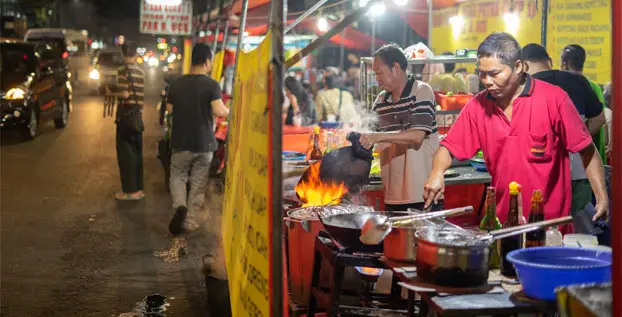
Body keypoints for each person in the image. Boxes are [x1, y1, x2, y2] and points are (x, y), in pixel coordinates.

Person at [423, 32, 608, 226]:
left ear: (518, 67)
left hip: (550, 225)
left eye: (494, 73)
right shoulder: (478, 106)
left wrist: (601, 197)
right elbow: (448, 148)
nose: (486, 81)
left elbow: (586, 150)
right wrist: (437, 173)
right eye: (482, 73)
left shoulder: (554, 99)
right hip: (503, 223)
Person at [521, 43, 606, 233]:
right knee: (573, 231)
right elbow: (600, 119)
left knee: (543, 232)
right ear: (550, 62)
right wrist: (576, 136)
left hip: (544, 178)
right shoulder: (579, 81)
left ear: (524, 66)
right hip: (581, 174)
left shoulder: (526, 89)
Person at [358, 43, 440, 211]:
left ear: (395, 68)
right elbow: (369, 135)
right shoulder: (381, 100)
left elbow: (417, 136)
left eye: (379, 73)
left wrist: (377, 137)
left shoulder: (421, 91)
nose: (377, 78)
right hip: (392, 196)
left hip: (423, 194)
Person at [166, 43, 229, 236]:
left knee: (178, 176)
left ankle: (179, 207)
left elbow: (169, 111)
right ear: (207, 61)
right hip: (204, 143)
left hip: (181, 141)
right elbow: (219, 111)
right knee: (199, 182)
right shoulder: (211, 84)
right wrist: (229, 111)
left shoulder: (176, 84)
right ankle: (191, 221)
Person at [107, 42, 145, 201]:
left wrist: (111, 93)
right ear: (136, 54)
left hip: (125, 116)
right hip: (137, 115)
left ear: (123, 54)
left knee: (126, 154)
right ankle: (138, 189)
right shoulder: (141, 72)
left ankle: (130, 191)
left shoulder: (122, 70)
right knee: (136, 153)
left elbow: (124, 94)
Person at [561, 44, 608, 163]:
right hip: (595, 153)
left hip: (581, 157)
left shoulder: (566, 87)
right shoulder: (594, 86)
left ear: (564, 64)